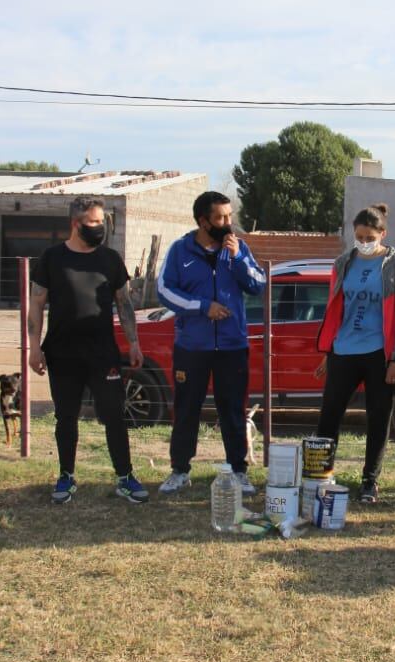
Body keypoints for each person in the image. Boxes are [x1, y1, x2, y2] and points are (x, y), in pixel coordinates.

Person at [28, 197, 148, 504]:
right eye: (93, 223)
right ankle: (66, 477)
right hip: (62, 354)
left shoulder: (109, 259)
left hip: (103, 354)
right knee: (65, 417)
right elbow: (37, 304)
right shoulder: (52, 258)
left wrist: (133, 343)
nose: (99, 228)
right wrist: (34, 348)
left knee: (114, 415)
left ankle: (125, 477)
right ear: (75, 224)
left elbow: (124, 303)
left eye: (101, 222)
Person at [156, 191, 266, 496]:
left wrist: (239, 258)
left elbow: (258, 284)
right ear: (203, 221)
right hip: (192, 347)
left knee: (233, 409)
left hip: (232, 346)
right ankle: (180, 470)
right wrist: (203, 306)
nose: (227, 223)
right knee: (187, 408)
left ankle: (239, 471)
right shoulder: (180, 250)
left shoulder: (238, 248)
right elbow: (165, 291)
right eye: (220, 218)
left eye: (229, 216)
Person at [314, 204, 395, 503]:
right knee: (329, 414)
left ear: (383, 234)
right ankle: (320, 475)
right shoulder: (342, 262)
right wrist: (328, 350)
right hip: (343, 350)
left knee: (378, 417)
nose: (363, 240)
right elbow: (334, 310)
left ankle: (370, 481)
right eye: (358, 235)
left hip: (378, 354)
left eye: (369, 236)